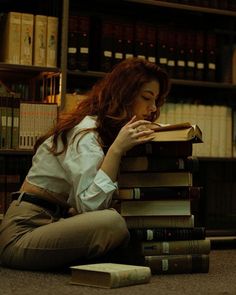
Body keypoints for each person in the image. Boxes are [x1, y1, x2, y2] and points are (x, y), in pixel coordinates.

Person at [0, 57, 170, 271]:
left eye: (156, 101)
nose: (153, 108)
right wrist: (116, 150)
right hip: (22, 233)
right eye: (147, 98)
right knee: (112, 223)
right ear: (124, 95)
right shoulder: (87, 132)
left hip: (54, 222)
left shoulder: (102, 131)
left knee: (124, 222)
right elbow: (91, 206)